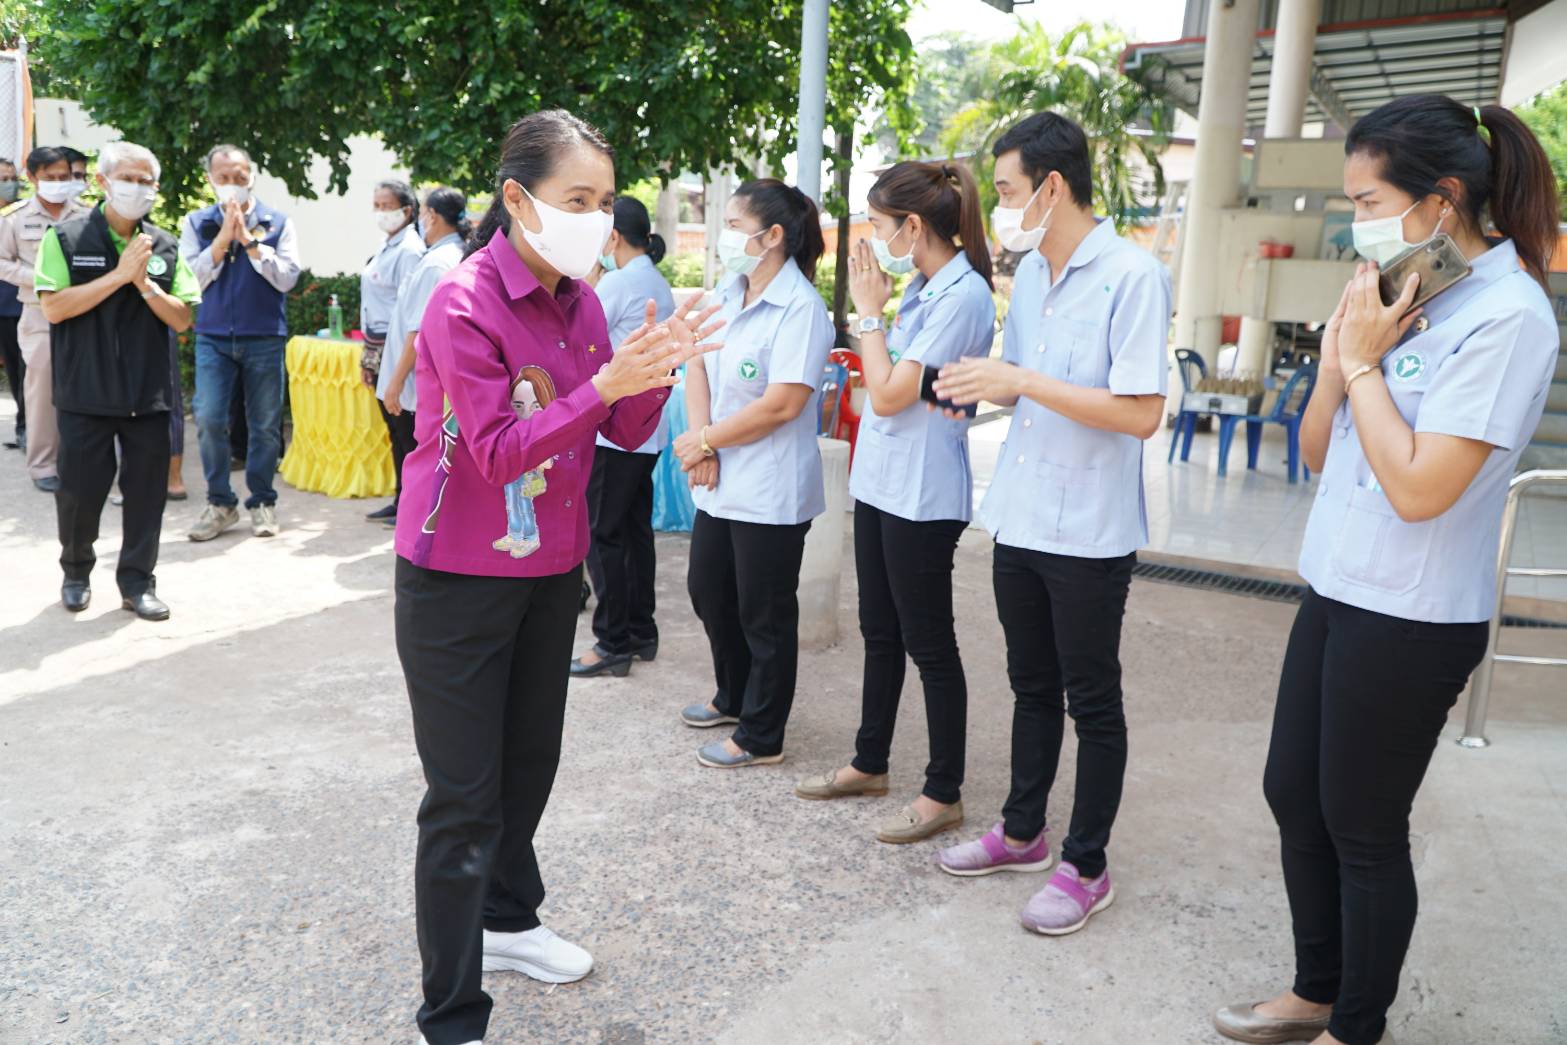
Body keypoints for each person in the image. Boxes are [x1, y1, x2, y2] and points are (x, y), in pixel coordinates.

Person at [1214, 96, 1561, 1045]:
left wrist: (1365, 368)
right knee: (1294, 791)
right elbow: (1322, 452)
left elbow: (1419, 490)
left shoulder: (1508, 315)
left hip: (1411, 611)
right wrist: (1338, 361)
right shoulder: (1407, 285)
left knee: (1361, 825)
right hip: (1336, 584)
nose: (1354, 218)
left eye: (1366, 197)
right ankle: (1314, 986)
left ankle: (1353, 1028)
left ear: (1441, 199)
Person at [391, 109, 721, 1045]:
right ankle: (452, 1013)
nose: (595, 217)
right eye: (577, 198)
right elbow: (496, 452)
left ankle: (508, 922)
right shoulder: (461, 302)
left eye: (604, 201)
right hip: (455, 575)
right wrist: (607, 385)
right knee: (462, 797)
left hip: (547, 569)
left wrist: (652, 373)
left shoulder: (581, 299)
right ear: (516, 199)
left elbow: (616, 432)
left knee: (527, 767)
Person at [929, 112, 1171, 935]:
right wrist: (978, 384)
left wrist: (1019, 378)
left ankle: (1085, 864)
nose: (996, 205)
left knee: (1091, 699)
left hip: (1090, 531)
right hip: (1021, 515)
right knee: (1031, 687)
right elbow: (1022, 385)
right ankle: (1022, 831)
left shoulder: (1132, 275)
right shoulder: (1031, 273)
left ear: (1052, 186)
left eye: (1004, 190)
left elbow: (1139, 412)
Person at [792, 161, 996, 843]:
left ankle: (943, 791)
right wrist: (881, 321)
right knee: (880, 631)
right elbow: (884, 388)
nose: (872, 240)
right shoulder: (924, 285)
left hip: (922, 492)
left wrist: (869, 313)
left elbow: (884, 392)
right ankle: (868, 760)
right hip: (881, 481)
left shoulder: (961, 295)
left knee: (928, 642)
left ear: (913, 225)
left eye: (879, 226)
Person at [672, 178, 835, 769]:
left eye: (736, 225)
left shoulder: (800, 308)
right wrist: (703, 445)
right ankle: (734, 695)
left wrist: (707, 438)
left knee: (763, 613)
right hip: (720, 477)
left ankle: (763, 735)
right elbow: (697, 363)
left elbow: (783, 404)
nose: (725, 236)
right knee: (708, 590)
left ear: (772, 237)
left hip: (770, 488)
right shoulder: (726, 291)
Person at [34, 140, 200, 620]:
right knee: (80, 495)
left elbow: (183, 318)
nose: (138, 189)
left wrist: (145, 283)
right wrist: (119, 275)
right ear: (104, 182)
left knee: (147, 497)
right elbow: (55, 306)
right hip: (85, 391)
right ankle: (76, 571)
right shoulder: (65, 237)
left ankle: (137, 582)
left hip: (148, 394)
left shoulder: (164, 245)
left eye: (146, 181)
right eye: (128, 178)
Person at [572, 197, 676, 678]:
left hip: (614, 430)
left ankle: (611, 641)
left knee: (602, 533)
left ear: (612, 237)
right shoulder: (657, 282)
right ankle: (641, 631)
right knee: (634, 530)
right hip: (646, 429)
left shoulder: (616, 282)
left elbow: (579, 340)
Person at [180, 143, 301, 542]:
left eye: (240, 176)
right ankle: (220, 502)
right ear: (212, 180)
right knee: (211, 418)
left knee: (265, 425)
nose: (233, 184)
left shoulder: (277, 222)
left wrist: (248, 241)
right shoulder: (197, 223)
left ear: (252, 176)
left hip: (264, 336)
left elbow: (287, 277)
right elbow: (189, 281)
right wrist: (220, 243)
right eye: (224, 178)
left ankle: (263, 501)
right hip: (213, 337)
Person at [375, 186, 471, 525]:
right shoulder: (449, 255)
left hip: (415, 380)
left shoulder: (435, 264)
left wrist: (395, 381)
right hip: (417, 376)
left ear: (429, 216)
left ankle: (414, 511)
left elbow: (416, 331)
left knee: (414, 449)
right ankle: (405, 504)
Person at [0, 146, 93, 490]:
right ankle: (43, 466)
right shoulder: (14, 218)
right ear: (33, 178)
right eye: (49, 178)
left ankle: (83, 460)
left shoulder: (86, 214)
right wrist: (38, 278)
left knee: (87, 386)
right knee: (41, 389)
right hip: (38, 314)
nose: (58, 183)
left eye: (63, 177)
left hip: (83, 311)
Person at [360, 178, 427, 522]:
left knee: (405, 430)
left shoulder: (410, 250)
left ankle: (411, 504)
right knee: (392, 429)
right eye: (377, 205)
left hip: (395, 345)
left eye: (387, 206)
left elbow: (409, 311)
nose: (381, 212)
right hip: (376, 344)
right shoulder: (387, 246)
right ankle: (400, 497)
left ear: (407, 209)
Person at [0, 158, 21, 449]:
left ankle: (26, 426)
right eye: (3, 178)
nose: (9, 182)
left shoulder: (21, 215)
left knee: (21, 369)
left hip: (14, 306)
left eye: (12, 177)